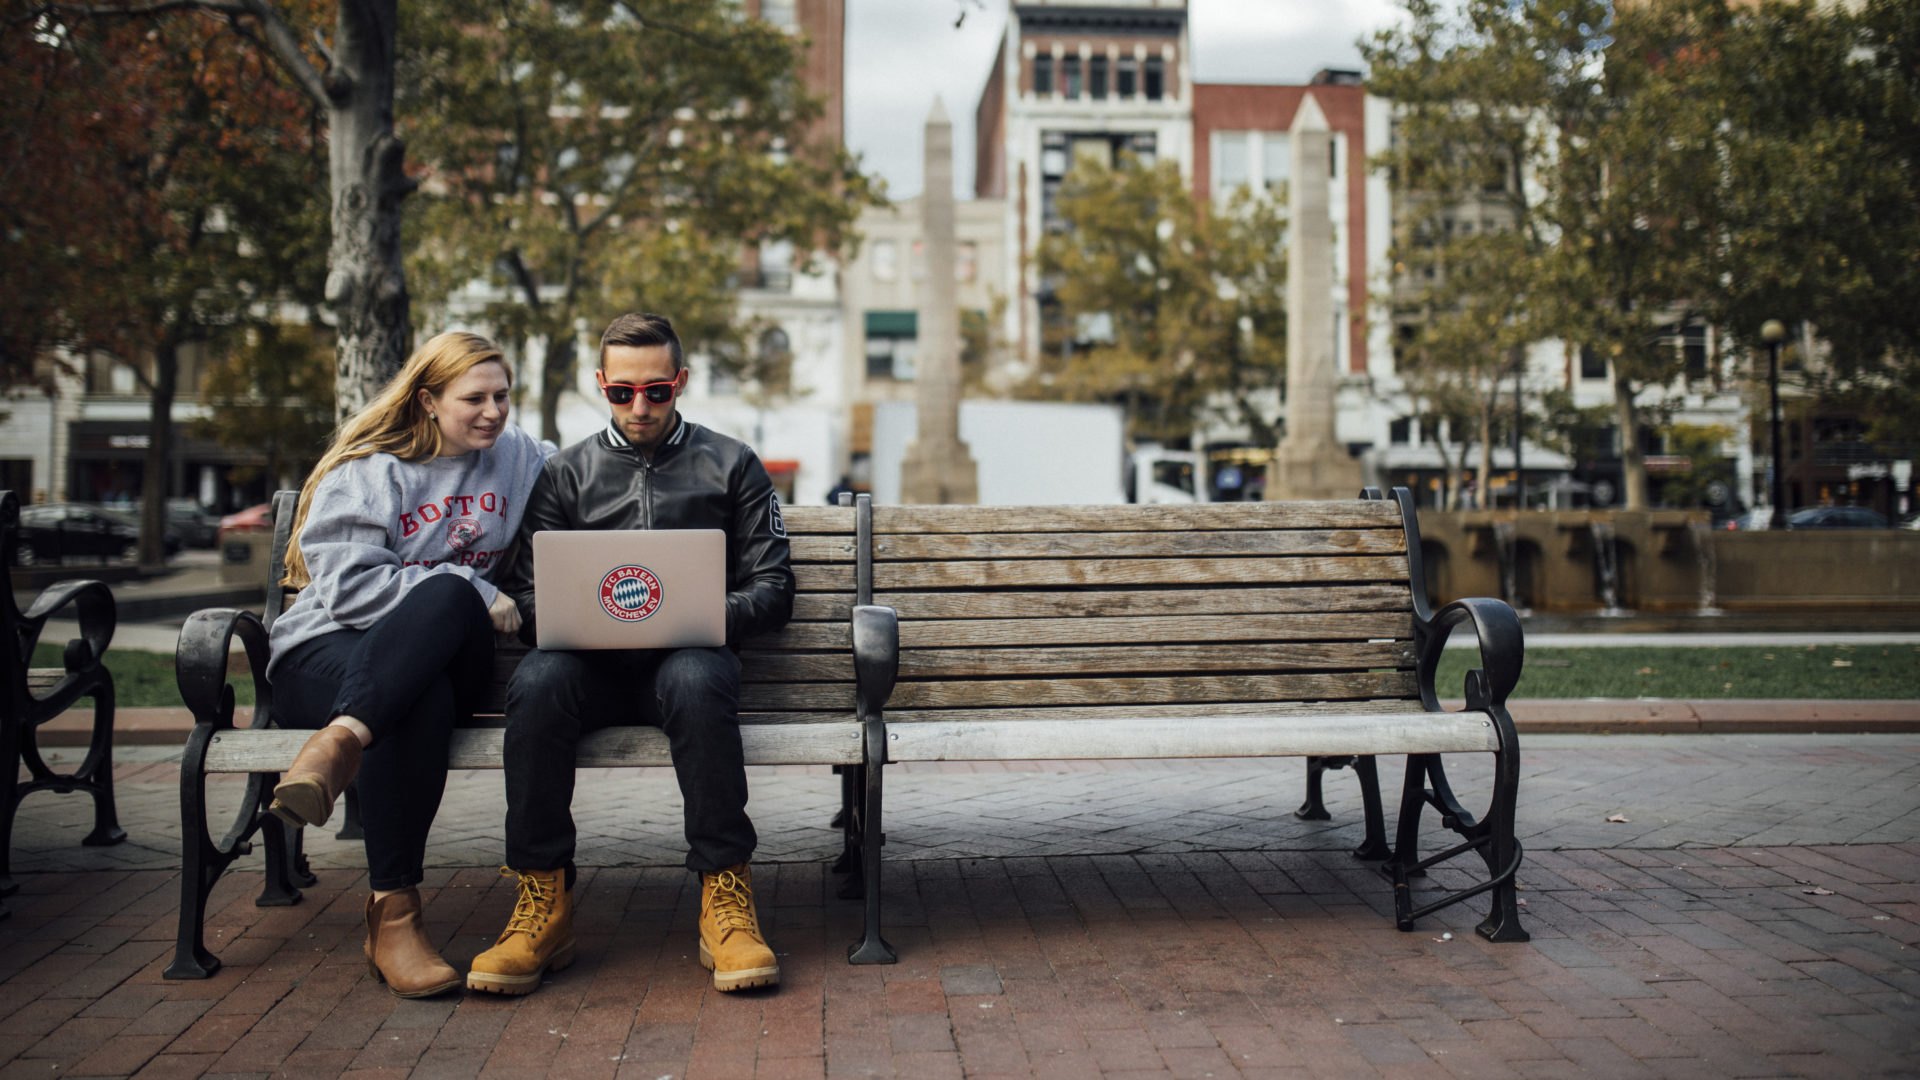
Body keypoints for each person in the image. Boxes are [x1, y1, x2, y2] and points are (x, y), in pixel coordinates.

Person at [468, 312, 793, 997]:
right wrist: (569, 615)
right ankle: (542, 900)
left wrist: (696, 611)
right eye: (621, 393)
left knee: (699, 677)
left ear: (680, 382)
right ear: (601, 386)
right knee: (537, 680)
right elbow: (524, 594)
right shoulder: (564, 475)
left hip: (686, 663)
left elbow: (774, 590)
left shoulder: (732, 464)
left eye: (656, 391)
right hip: (590, 669)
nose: (639, 407)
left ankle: (725, 896)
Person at [266, 331, 551, 999]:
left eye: (502, 396)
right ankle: (394, 916)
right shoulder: (370, 470)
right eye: (473, 398)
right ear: (427, 400)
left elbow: (592, 483)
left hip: (451, 658)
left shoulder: (520, 460)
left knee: (444, 605)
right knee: (417, 686)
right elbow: (346, 590)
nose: (493, 411)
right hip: (327, 649)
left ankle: (339, 744)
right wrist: (476, 588)